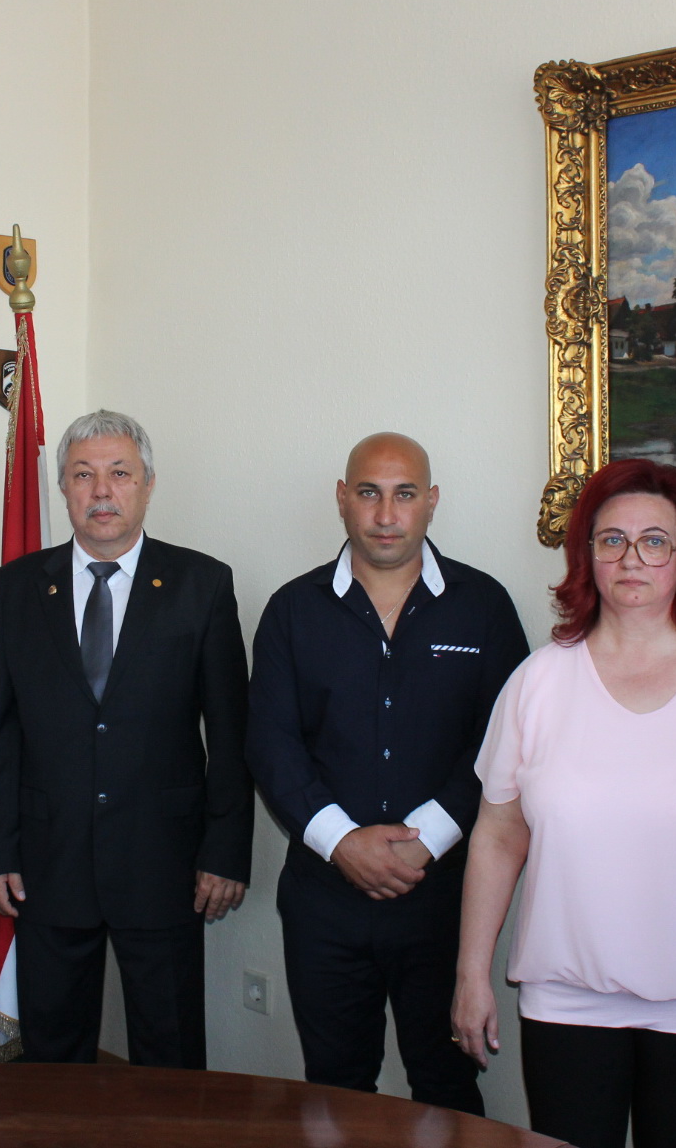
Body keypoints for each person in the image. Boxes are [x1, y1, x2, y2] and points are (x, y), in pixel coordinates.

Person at [450, 458, 676, 1148]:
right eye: (612, 539)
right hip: (567, 1000)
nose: (631, 559)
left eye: (654, 540)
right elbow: (498, 834)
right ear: (586, 553)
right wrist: (470, 974)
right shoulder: (539, 679)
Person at [248, 432, 527, 1116]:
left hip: (444, 897)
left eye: (404, 494)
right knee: (336, 1085)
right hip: (324, 897)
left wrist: (424, 840)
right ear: (342, 499)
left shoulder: (483, 605)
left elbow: (504, 744)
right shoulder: (292, 610)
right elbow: (271, 744)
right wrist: (342, 842)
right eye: (369, 493)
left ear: (431, 501)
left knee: (447, 1084)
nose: (385, 514)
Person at [0, 409, 251, 1068]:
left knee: (170, 1057)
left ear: (147, 483)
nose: (101, 491)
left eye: (119, 473)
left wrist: (226, 850)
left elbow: (231, 731)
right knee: (53, 1062)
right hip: (46, 863)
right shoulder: (15, 588)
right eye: (83, 475)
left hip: (166, 862)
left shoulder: (202, 584)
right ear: (62, 487)